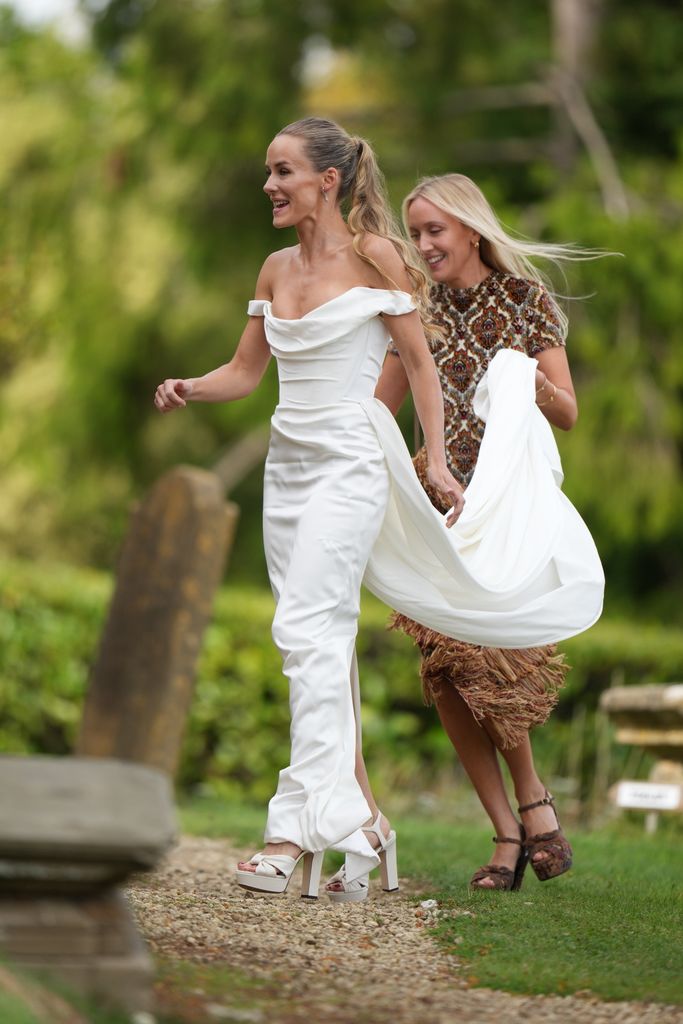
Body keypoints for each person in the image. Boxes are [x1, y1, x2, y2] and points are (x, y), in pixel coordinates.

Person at [155, 125, 603, 902]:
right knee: (308, 633)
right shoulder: (272, 267)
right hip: (288, 468)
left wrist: (430, 457)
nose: (269, 183)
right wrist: (190, 386)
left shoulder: (379, 258)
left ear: (327, 180)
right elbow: (243, 370)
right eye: (268, 169)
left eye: (282, 170)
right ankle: (362, 825)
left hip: (354, 464)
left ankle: (292, 832)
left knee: (309, 629)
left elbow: (417, 364)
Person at [337, 172, 595, 895]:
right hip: (433, 503)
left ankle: (532, 801)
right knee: (446, 667)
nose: (423, 245)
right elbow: (379, 411)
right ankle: (513, 828)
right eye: (415, 233)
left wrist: (522, 379)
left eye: (433, 232)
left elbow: (567, 411)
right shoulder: (413, 309)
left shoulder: (524, 301)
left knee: (492, 664)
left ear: (470, 231)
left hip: (504, 502)